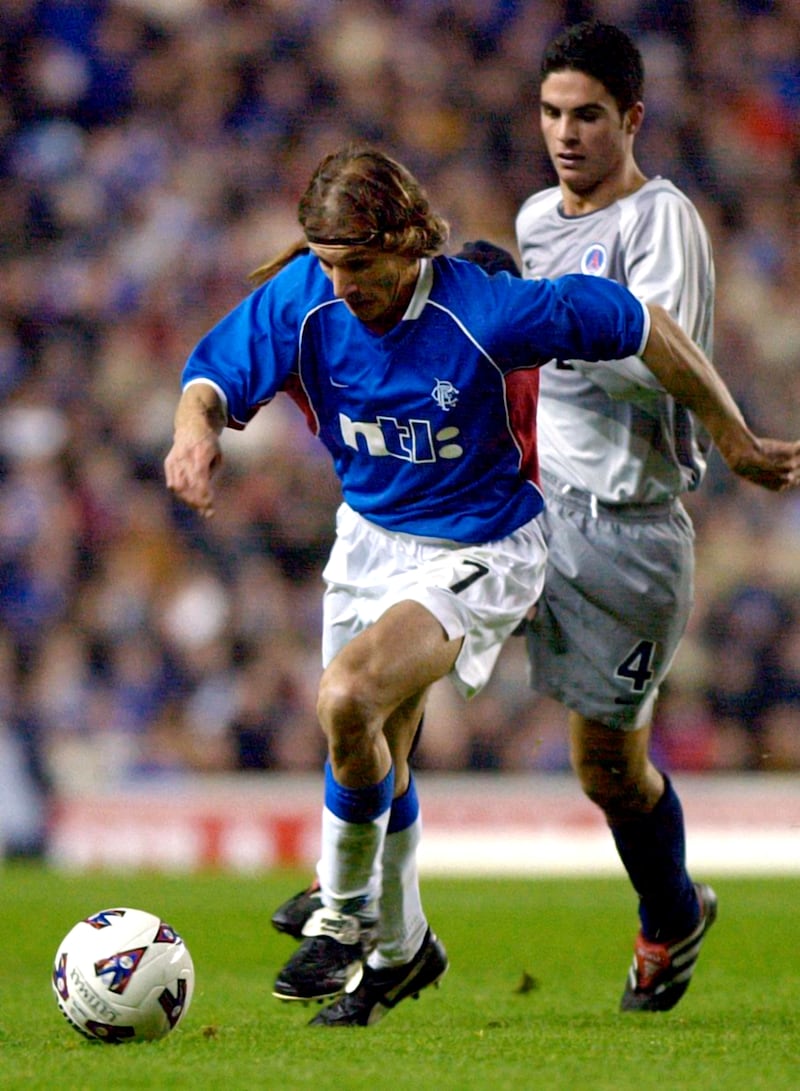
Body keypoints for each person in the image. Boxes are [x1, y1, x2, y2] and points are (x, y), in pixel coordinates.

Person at [165, 143, 799, 1028]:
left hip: (482, 543)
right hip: (367, 541)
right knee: (372, 741)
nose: (343, 284)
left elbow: (642, 324)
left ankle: (344, 915)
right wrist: (195, 434)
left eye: (361, 264)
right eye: (331, 264)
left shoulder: (487, 312)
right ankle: (403, 946)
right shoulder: (306, 298)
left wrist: (730, 436)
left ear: (408, 243)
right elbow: (209, 376)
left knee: (349, 698)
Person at [514, 19, 736, 1012]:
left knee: (606, 770)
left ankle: (670, 912)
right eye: (553, 113)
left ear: (630, 118)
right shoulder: (531, 220)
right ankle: (356, 901)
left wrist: (553, 328)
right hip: (533, 511)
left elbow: (661, 368)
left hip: (634, 530)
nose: (566, 134)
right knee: (405, 637)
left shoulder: (661, 221)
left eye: (588, 116)